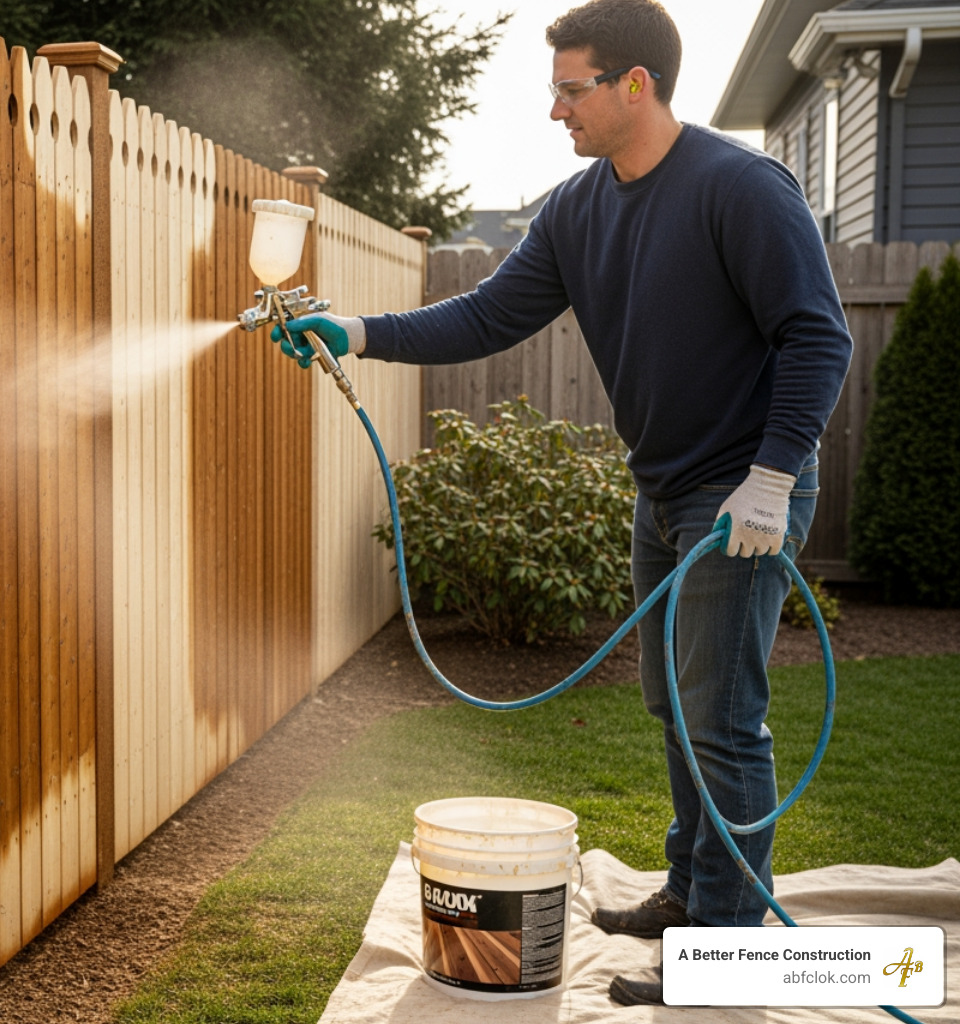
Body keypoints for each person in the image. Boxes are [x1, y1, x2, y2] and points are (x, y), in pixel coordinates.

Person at [276, 0, 852, 1006]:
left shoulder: (741, 188)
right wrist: (357, 329)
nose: (555, 111)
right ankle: (691, 890)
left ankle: (722, 957)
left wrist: (771, 477)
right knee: (673, 704)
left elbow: (819, 337)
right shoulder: (580, 207)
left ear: (637, 84)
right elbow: (492, 311)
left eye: (569, 88)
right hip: (666, 482)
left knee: (722, 718)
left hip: (746, 487)